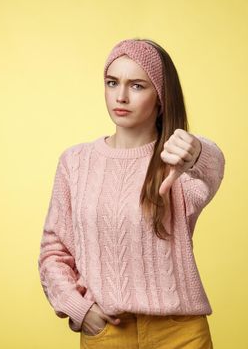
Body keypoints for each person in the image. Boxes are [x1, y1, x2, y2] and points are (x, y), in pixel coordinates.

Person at [38, 38, 225, 349]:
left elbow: (213, 169)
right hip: (108, 332)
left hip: (179, 334)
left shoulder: (177, 162)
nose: (121, 96)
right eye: (113, 83)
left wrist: (196, 151)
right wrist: (79, 309)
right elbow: (53, 252)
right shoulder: (75, 162)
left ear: (161, 97)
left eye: (137, 86)